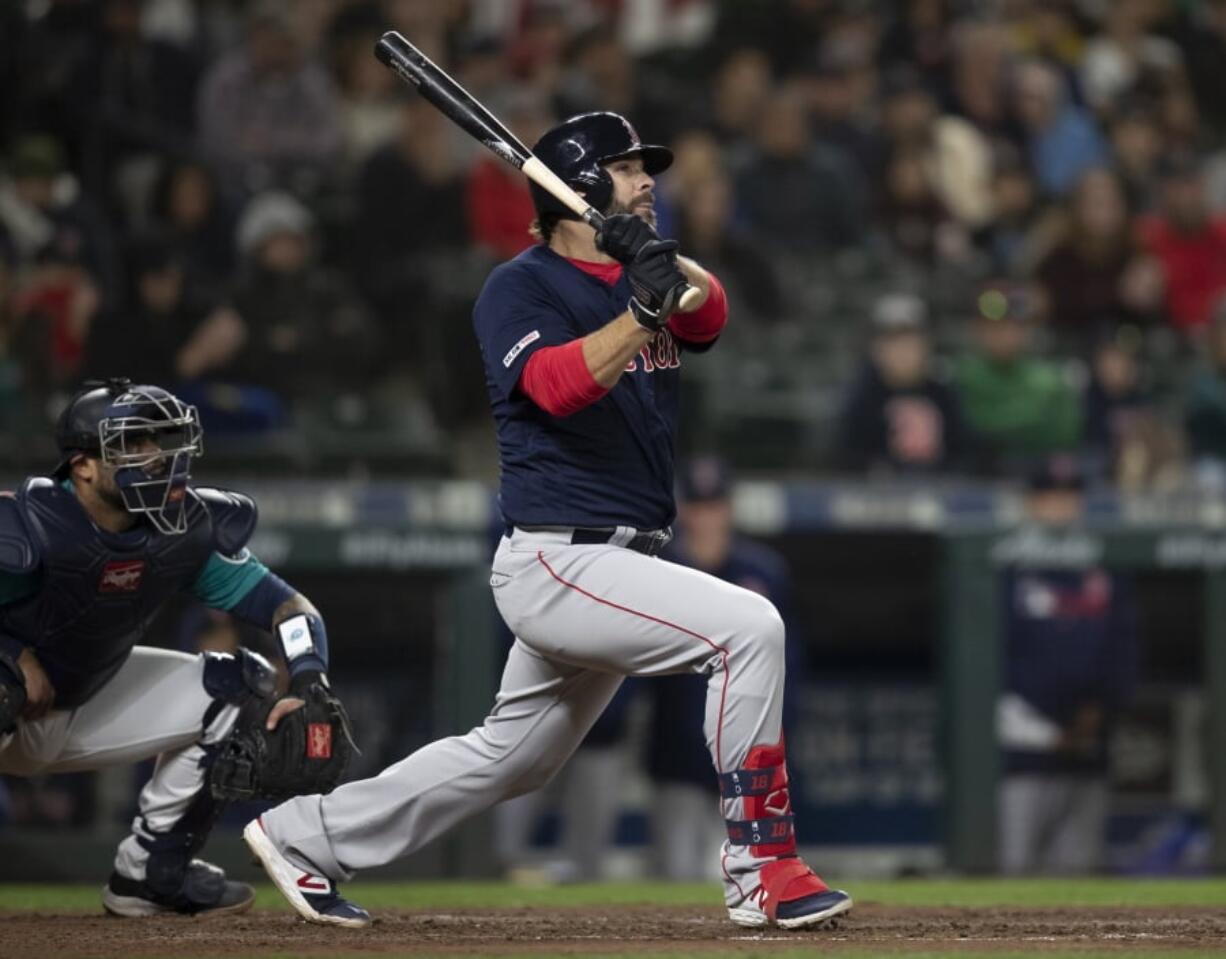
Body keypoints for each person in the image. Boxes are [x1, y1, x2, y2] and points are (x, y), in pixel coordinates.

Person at [245, 111, 853, 931]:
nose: (648, 183)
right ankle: (761, 866)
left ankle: (305, 833)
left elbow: (709, 318)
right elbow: (558, 387)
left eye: (648, 170)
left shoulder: (633, 268)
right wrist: (642, 308)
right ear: (580, 188)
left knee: (512, 758)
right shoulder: (518, 286)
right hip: (559, 557)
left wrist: (662, 271)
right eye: (629, 169)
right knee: (749, 627)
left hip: (616, 558)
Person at [0, 379, 350, 916]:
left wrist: (309, 676)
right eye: (134, 444)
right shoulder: (29, 524)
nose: (157, 457)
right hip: (15, 700)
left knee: (239, 687)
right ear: (83, 466)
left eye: (162, 441)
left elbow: (288, 608)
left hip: (82, 695)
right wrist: (14, 654)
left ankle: (149, 874)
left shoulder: (181, 527)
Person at [651, 456, 802, 881]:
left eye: (715, 506)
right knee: (676, 878)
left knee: (745, 878)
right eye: (698, 508)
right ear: (683, 510)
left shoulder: (762, 570)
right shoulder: (658, 569)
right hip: (677, 754)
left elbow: (790, 662)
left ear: (730, 508)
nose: (707, 519)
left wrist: (780, 734)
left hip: (745, 761)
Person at [998, 456, 1139, 874]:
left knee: (1080, 877)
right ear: (1031, 502)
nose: (1061, 505)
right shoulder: (1004, 564)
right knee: (1009, 873)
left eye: (1070, 496)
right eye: (1050, 496)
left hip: (1090, 748)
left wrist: (1102, 712)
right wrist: (1039, 730)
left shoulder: (1104, 566)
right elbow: (984, 661)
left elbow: (1124, 649)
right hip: (1019, 753)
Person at [836, 293, 966, 475]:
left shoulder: (943, 393)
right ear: (876, 347)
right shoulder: (863, 397)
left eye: (910, 340)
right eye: (893, 341)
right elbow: (850, 457)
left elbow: (961, 451)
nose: (902, 350)